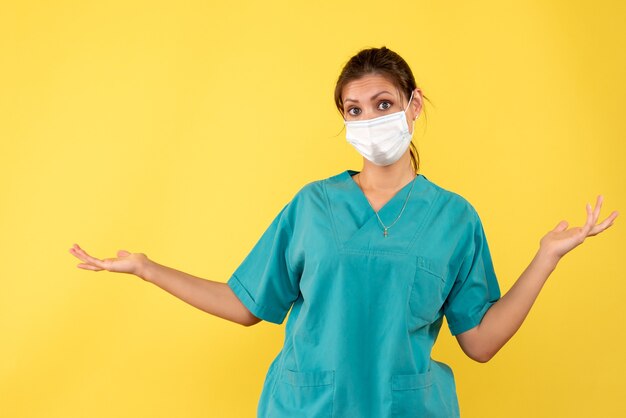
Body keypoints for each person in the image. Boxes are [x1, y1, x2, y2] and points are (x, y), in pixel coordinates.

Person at [69, 46, 619, 417]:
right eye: (354, 110)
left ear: (413, 105)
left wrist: (546, 256)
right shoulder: (313, 206)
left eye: (383, 104)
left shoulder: (454, 218)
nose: (370, 119)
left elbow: (480, 341)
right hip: (307, 407)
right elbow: (244, 303)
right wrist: (145, 267)